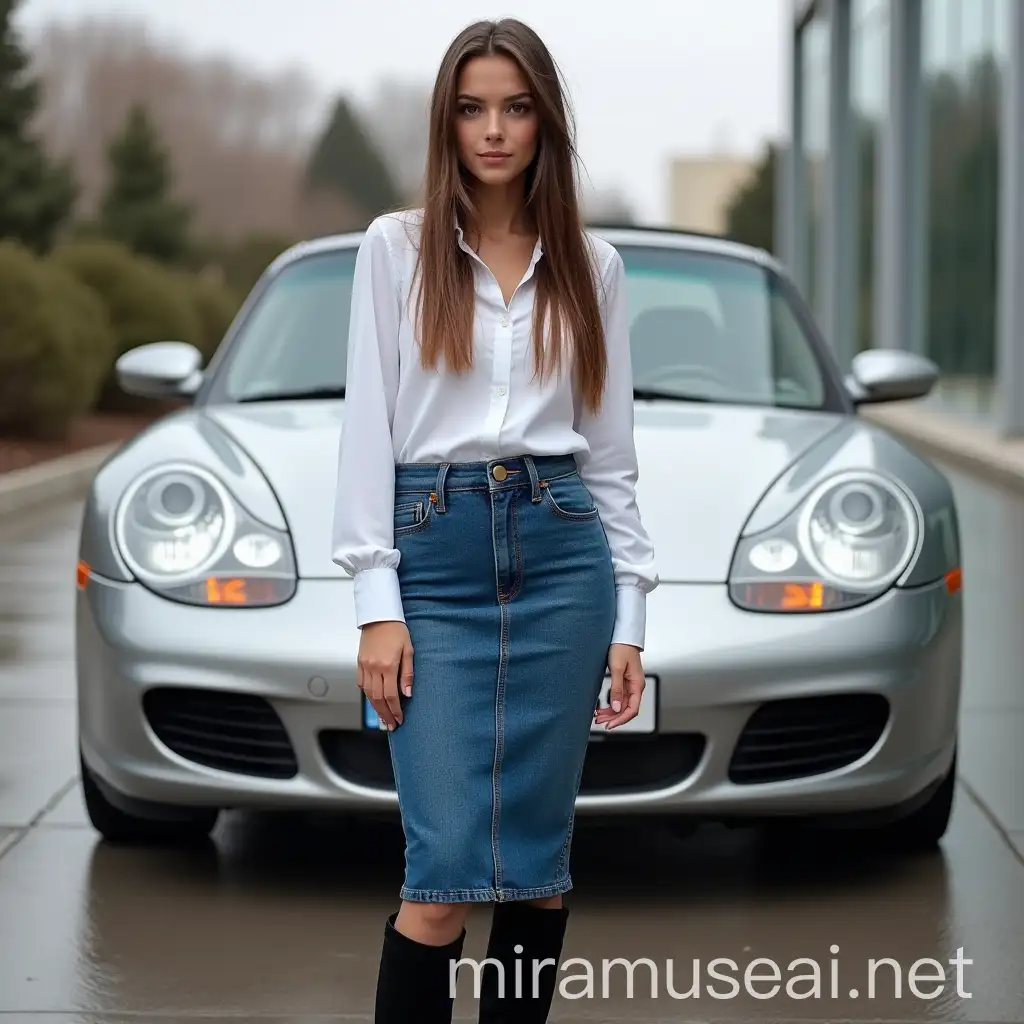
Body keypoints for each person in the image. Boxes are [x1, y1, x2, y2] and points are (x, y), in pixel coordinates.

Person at [331, 16, 658, 1023]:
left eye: (515, 107)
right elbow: (365, 432)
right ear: (446, 122)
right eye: (472, 108)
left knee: (536, 872)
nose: (494, 130)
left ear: (544, 122)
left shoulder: (590, 266)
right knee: (437, 884)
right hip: (433, 556)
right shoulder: (395, 250)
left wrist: (630, 617)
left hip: (563, 558)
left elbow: (607, 457)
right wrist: (374, 600)